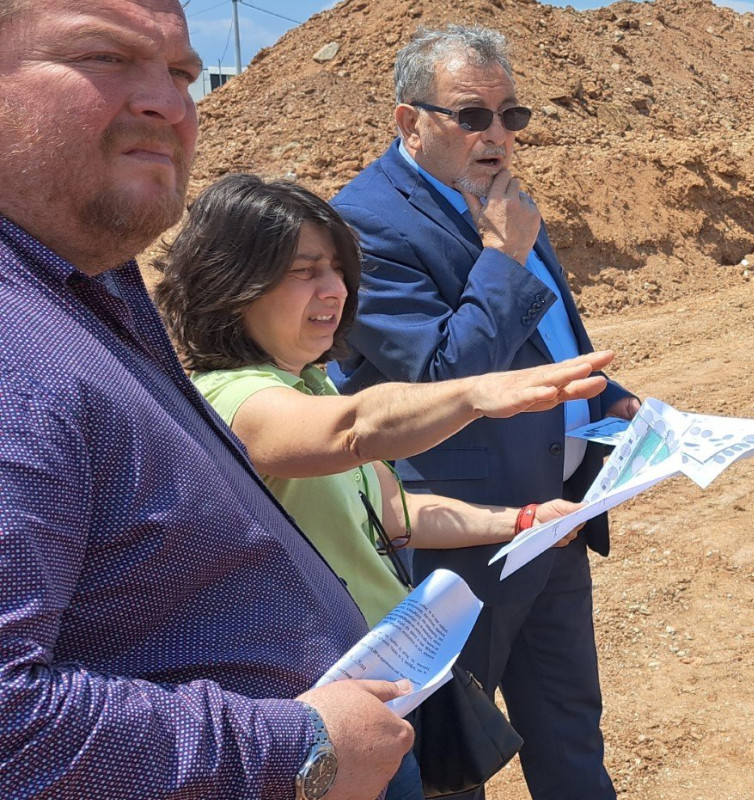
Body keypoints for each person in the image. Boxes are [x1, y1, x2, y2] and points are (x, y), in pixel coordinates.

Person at [0, 1, 406, 798]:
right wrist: (298, 747)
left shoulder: (84, 285)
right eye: (104, 56)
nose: (170, 101)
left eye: (184, 73)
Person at [154, 173, 613, 798]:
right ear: (236, 284)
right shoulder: (233, 399)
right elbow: (355, 428)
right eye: (304, 271)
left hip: (381, 693)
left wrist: (521, 522)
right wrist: (475, 394)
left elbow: (394, 515)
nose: (334, 290)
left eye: (338, 270)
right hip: (324, 712)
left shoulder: (307, 383)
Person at [331, 24, 639, 800]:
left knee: (570, 732)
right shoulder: (366, 223)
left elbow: (547, 335)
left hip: (555, 520)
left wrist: (610, 399)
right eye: (473, 116)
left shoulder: (502, 202)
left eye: (512, 116)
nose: (497, 135)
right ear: (410, 122)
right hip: (458, 545)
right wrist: (502, 256)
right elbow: (442, 377)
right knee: (454, 758)